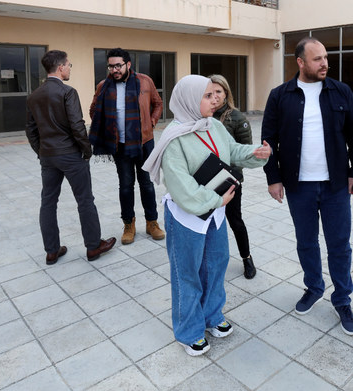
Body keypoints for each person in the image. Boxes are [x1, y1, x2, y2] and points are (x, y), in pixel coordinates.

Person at [142, 75, 271, 356]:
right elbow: (181, 187)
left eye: (216, 95)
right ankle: (188, 331)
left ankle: (212, 316)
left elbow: (232, 151)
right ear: (189, 99)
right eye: (207, 95)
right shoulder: (175, 138)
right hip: (188, 217)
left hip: (215, 214)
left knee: (215, 264)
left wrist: (256, 153)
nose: (215, 100)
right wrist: (215, 200)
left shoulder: (212, 125)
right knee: (187, 274)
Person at [261, 37, 353, 336]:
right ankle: (314, 287)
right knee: (306, 242)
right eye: (317, 59)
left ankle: (342, 299)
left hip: (335, 185)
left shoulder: (340, 91)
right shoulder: (280, 96)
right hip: (298, 186)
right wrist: (273, 177)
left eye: (325, 58)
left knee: (339, 245)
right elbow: (268, 141)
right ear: (300, 62)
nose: (325, 63)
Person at [26, 50, 116, 265]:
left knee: (48, 203)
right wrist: (86, 150)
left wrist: (42, 151)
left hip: (48, 156)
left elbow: (30, 130)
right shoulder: (67, 92)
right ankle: (94, 246)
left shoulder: (34, 95)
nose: (69, 68)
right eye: (68, 65)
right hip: (70, 155)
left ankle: (52, 251)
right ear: (60, 68)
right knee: (85, 201)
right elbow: (77, 125)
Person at [89, 48, 165, 245]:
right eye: (111, 66)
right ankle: (128, 224)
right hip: (120, 146)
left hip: (144, 143)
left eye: (118, 65)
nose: (114, 69)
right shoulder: (103, 86)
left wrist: (152, 122)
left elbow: (158, 104)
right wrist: (107, 129)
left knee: (147, 185)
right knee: (125, 186)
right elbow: (94, 111)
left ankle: (152, 222)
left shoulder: (144, 81)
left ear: (128, 65)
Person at [209, 74, 256, 279]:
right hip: (205, 179)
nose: (215, 96)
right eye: (210, 93)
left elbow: (245, 152)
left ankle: (246, 258)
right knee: (209, 222)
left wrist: (228, 167)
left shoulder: (237, 118)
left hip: (229, 179)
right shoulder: (202, 115)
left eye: (219, 91)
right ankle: (210, 261)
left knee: (235, 220)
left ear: (226, 93)